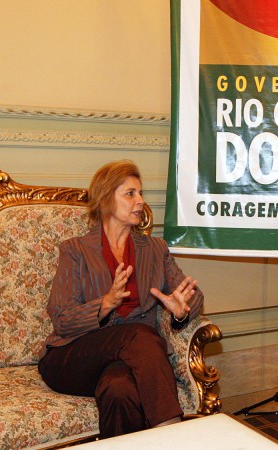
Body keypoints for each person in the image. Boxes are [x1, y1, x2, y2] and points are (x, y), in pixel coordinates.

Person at [38, 160, 204, 438]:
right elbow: (62, 320)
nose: (140, 201)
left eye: (140, 193)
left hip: (130, 361)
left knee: (118, 389)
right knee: (139, 335)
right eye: (130, 194)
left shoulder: (155, 249)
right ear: (106, 199)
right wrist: (105, 304)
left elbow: (193, 295)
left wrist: (180, 311)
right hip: (74, 357)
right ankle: (173, 434)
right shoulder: (75, 250)